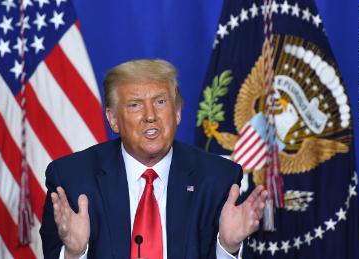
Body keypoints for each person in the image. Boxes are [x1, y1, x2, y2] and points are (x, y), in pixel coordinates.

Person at [40, 59, 267, 259]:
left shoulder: (219, 179)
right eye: (135, 105)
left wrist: (227, 248)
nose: (150, 116)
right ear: (113, 120)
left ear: (177, 111)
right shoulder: (71, 180)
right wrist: (74, 254)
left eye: (160, 102)